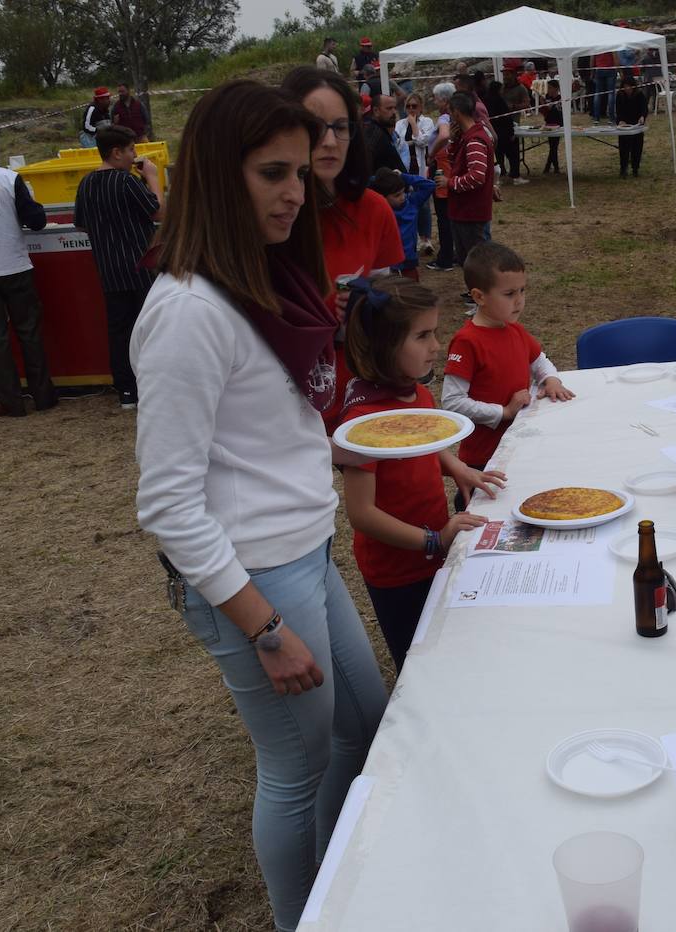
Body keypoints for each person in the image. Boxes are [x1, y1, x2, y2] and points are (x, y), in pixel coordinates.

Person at [130, 79, 387, 932]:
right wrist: (263, 627)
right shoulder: (188, 312)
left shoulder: (265, 282)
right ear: (217, 175)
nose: (295, 192)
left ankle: (340, 884)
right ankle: (302, 917)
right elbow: (168, 502)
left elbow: (270, 427)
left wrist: (340, 453)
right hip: (254, 580)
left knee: (365, 722)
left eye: (299, 173)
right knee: (296, 766)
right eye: (272, 173)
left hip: (305, 552)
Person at [337, 276, 501, 670]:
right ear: (384, 344)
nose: (436, 346)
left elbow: (425, 443)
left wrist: (457, 467)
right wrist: (433, 540)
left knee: (449, 645)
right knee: (418, 660)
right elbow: (362, 513)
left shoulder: (418, 394)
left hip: (435, 550)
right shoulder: (363, 422)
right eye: (423, 336)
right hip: (398, 573)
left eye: (435, 333)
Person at [281, 66, 405, 426]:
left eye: (341, 127)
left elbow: (388, 300)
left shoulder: (373, 209)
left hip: (358, 388)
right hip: (284, 396)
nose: (330, 141)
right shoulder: (273, 215)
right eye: (314, 126)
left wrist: (366, 307)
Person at [441, 242, 574, 472]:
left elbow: (539, 360)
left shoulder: (515, 329)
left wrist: (551, 379)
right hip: (484, 458)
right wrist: (504, 412)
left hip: (520, 445)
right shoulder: (467, 342)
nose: (519, 300)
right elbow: (453, 402)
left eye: (522, 290)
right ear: (479, 296)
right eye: (509, 294)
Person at [0, 123, 58, 417]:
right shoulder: (9, 177)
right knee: (29, 332)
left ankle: (11, 402)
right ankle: (43, 396)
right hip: (15, 267)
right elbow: (37, 222)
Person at [72, 124, 164, 409]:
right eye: (131, 149)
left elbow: (81, 224)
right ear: (116, 152)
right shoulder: (126, 182)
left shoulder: (86, 183)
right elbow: (159, 211)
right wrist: (153, 177)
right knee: (148, 329)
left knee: (119, 331)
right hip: (140, 269)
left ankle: (126, 391)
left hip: (109, 270)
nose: (135, 154)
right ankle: (152, 386)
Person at [444, 91, 495, 272]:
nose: (449, 118)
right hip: (464, 211)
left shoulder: (474, 140)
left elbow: (477, 176)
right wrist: (453, 141)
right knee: (468, 260)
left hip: (471, 212)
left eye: (450, 113)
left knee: (477, 263)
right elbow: (457, 163)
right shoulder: (467, 138)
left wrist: (449, 183)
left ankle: (483, 289)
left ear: (457, 113)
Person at [367, 168, 436, 279]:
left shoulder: (412, 202)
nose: (402, 197)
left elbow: (430, 185)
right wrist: (379, 179)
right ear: (382, 197)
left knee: (411, 287)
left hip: (409, 261)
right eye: (397, 195)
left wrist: (403, 176)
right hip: (388, 263)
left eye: (403, 192)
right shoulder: (378, 210)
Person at [394, 92, 435, 255]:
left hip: (420, 166)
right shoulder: (399, 124)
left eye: (414, 106)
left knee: (423, 204)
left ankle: (426, 238)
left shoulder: (427, 122)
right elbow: (398, 144)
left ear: (421, 107)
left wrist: (413, 125)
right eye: (408, 106)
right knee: (406, 202)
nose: (411, 109)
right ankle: (413, 237)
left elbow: (423, 141)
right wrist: (411, 138)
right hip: (405, 166)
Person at [425, 82, 457, 272]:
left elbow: (444, 136)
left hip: (442, 169)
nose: (435, 102)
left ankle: (445, 258)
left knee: (443, 215)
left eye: (436, 99)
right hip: (451, 167)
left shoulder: (445, 117)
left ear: (444, 101)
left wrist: (431, 154)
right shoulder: (456, 117)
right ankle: (455, 252)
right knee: (451, 214)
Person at [362, 91, 406, 174]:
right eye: (389, 108)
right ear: (376, 111)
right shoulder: (373, 134)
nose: (394, 112)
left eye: (395, 108)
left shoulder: (382, 132)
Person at [614, 76, 648, 178]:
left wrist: (642, 117)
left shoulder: (639, 95)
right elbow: (618, 111)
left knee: (637, 147)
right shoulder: (620, 95)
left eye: (629, 87)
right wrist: (620, 121)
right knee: (623, 147)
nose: (627, 89)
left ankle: (635, 168)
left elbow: (644, 109)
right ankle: (623, 168)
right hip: (624, 125)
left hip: (637, 124)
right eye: (625, 87)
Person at [540, 79, 563, 174]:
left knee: (554, 146)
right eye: (548, 88)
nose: (548, 90)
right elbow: (544, 112)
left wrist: (548, 106)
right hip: (549, 124)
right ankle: (552, 167)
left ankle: (550, 167)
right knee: (552, 146)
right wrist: (542, 104)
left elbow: (557, 111)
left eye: (550, 88)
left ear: (556, 88)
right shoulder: (547, 97)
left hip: (558, 124)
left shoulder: (560, 98)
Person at [591, 49, 618, 122]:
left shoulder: (597, 45)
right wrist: (617, 69)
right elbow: (615, 56)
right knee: (611, 93)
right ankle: (611, 117)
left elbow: (592, 58)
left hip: (599, 69)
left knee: (597, 94)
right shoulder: (611, 44)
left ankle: (596, 117)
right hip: (610, 69)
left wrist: (592, 71)